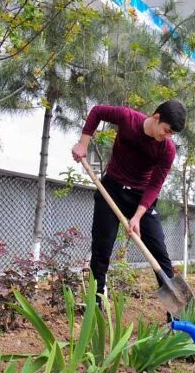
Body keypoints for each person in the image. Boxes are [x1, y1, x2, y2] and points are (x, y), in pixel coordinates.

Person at [71, 100, 186, 315]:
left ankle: (177, 316)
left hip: (141, 197)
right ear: (156, 117)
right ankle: (96, 303)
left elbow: (155, 185)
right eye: (167, 131)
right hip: (112, 189)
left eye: (172, 134)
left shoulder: (167, 150)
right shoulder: (128, 118)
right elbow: (97, 112)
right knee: (101, 248)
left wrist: (138, 216)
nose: (167, 136)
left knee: (159, 252)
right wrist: (83, 144)